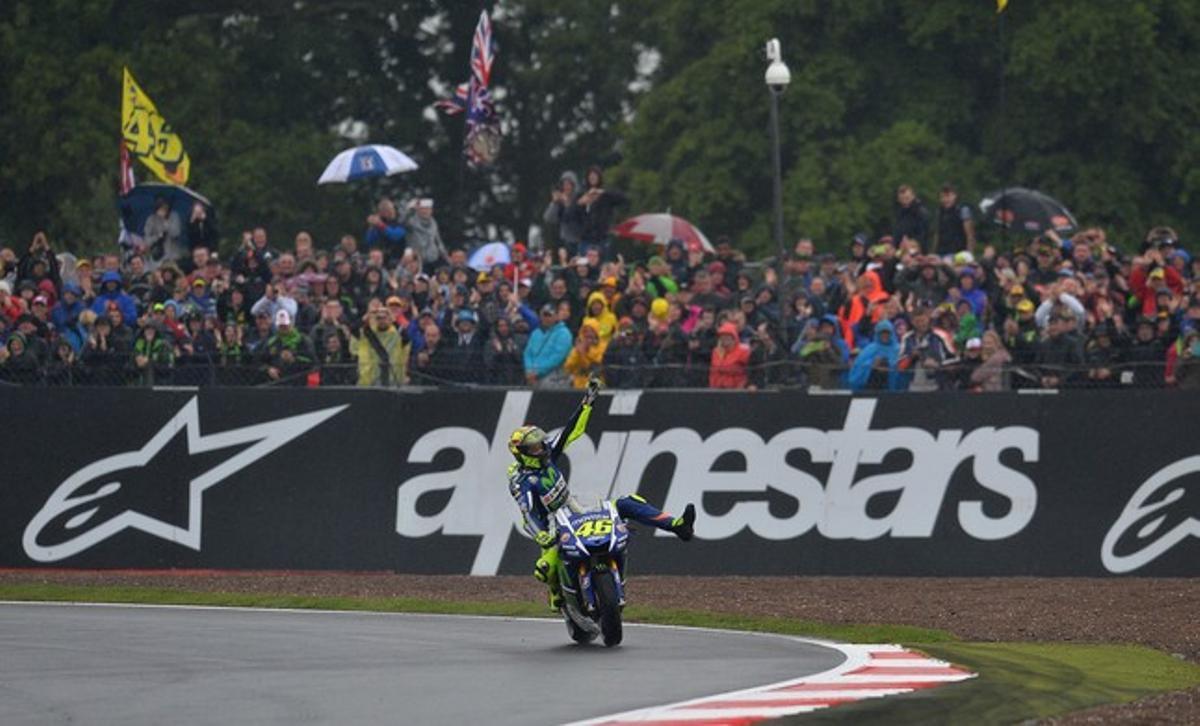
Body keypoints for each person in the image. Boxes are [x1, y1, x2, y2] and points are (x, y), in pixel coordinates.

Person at [507, 377, 696, 610]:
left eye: (542, 444)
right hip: (550, 523)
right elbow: (527, 513)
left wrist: (588, 402)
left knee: (627, 502)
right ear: (522, 453)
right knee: (544, 569)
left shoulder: (548, 456)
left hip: (571, 505)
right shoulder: (522, 480)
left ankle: (677, 525)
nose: (543, 448)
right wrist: (542, 536)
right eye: (535, 447)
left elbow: (571, 431)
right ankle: (556, 593)